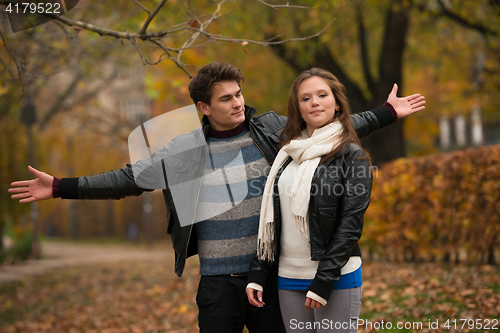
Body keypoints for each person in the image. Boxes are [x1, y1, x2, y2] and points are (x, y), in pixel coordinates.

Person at [9, 62, 425, 333]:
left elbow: (329, 129)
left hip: (269, 277)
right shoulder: (183, 151)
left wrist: (386, 114)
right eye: (226, 99)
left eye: (239, 94)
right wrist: (61, 186)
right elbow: (128, 178)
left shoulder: (273, 130)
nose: (238, 103)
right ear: (203, 107)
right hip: (217, 284)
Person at [245, 68, 387, 333]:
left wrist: (323, 281)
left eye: (322, 95)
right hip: (288, 278)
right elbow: (274, 218)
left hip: (336, 278)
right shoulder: (286, 155)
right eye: (306, 98)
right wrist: (258, 273)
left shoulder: (352, 155)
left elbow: (351, 225)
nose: (315, 102)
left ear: (336, 104)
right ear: (297, 108)